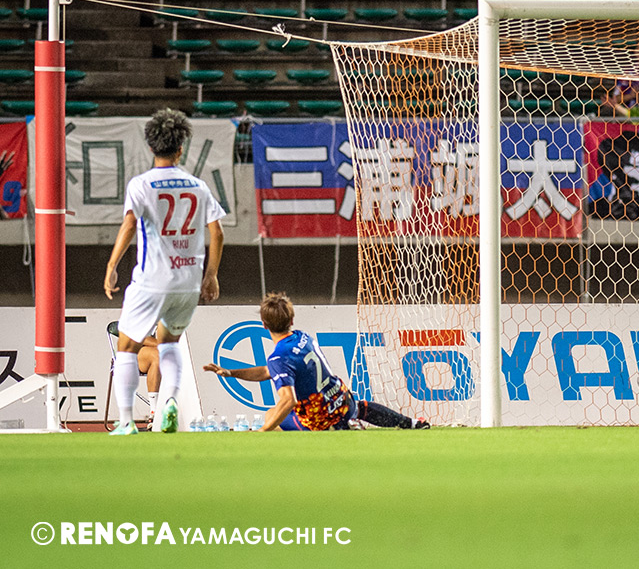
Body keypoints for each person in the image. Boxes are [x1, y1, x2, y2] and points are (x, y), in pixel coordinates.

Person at [104, 109, 226, 435]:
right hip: (188, 282)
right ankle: (169, 402)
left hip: (152, 280)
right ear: (180, 149)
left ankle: (126, 421)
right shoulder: (198, 186)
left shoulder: (141, 184)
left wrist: (112, 266)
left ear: (150, 147)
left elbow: (130, 225)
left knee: (126, 348)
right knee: (170, 345)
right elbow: (217, 233)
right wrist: (211, 275)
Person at [204, 292, 430, 432]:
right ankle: (410, 423)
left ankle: (333, 430)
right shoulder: (303, 337)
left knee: (271, 416)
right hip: (341, 399)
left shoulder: (279, 357)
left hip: (320, 417)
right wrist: (231, 372)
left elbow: (288, 400)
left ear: (264, 325)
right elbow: (267, 371)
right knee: (360, 407)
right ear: (292, 320)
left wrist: (263, 431)